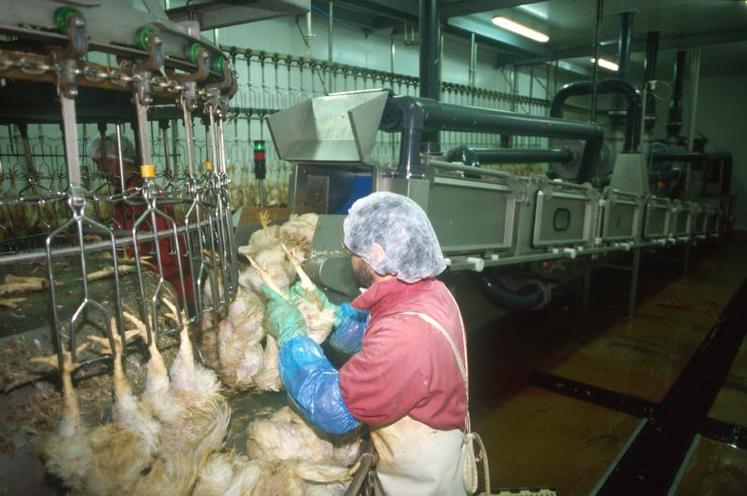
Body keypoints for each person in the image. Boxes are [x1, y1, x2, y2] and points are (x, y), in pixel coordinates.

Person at [262, 191, 475, 495]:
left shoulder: (407, 336)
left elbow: (332, 409)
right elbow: (375, 337)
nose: (350, 258)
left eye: (353, 251)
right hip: (419, 454)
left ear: (375, 255)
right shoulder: (429, 292)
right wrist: (333, 317)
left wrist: (292, 336)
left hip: (420, 481)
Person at [89, 133, 193, 305]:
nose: (100, 172)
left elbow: (163, 252)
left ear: (123, 161)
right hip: (151, 282)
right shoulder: (125, 195)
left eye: (104, 164)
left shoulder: (146, 196)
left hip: (169, 283)